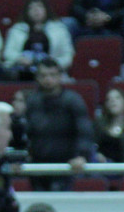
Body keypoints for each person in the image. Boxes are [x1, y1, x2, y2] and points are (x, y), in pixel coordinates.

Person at [24, 58, 94, 191]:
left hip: (68, 166)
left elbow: (84, 131)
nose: (48, 79)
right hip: (38, 166)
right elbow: (25, 132)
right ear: (37, 78)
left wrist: (82, 155)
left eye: (52, 75)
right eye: (43, 75)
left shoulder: (73, 100)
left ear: (60, 76)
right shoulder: (32, 101)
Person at [2, 0, 75, 80]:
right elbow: (8, 52)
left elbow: (67, 55)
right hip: (22, 71)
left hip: (53, 73)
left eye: (39, 7)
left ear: (46, 10)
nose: (36, 10)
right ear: (26, 12)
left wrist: (53, 64)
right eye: (31, 8)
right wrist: (19, 59)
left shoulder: (59, 29)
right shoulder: (17, 29)